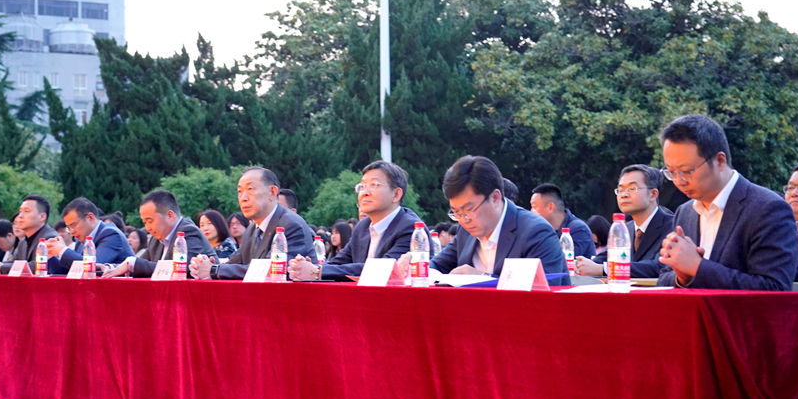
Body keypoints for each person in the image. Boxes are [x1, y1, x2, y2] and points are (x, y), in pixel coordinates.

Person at [656, 114, 796, 290]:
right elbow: (663, 279)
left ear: (720, 161)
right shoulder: (685, 212)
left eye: (687, 171)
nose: (679, 181)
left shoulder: (768, 209)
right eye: (671, 172)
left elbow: (774, 289)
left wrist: (698, 267)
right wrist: (683, 278)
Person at [402, 155, 569, 285]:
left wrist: (483, 279)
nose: (463, 220)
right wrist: (416, 264)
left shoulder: (535, 231)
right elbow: (437, 266)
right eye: (456, 212)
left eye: (469, 210)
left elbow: (545, 291)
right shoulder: (465, 232)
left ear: (495, 198)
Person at [289, 161, 429, 281]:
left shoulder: (411, 228)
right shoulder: (363, 226)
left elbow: (383, 269)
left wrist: (318, 272)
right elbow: (339, 262)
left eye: (374, 185)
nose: (365, 192)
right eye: (362, 186)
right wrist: (309, 268)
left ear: (396, 194)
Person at [190, 167, 315, 280]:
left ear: (272, 192)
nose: (243, 198)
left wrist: (215, 270)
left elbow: (273, 270)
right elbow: (234, 263)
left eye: (250, 189)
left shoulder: (290, 224)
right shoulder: (252, 229)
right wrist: (207, 266)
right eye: (240, 191)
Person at [576, 165, 674, 278]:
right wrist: (580, 265)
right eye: (620, 190)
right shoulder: (624, 229)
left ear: (653, 194)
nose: (624, 195)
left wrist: (605, 269)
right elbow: (604, 258)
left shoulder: (673, 226)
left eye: (632, 188)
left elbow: (661, 266)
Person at [102, 190, 216, 278]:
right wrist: (109, 268)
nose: (148, 228)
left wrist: (132, 263)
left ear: (170, 216)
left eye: (150, 221)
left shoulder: (188, 232)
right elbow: (138, 265)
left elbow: (182, 270)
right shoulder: (156, 238)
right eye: (145, 222)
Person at [45, 197, 134, 274]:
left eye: (73, 226)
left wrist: (62, 250)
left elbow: (94, 265)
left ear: (90, 218)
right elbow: (71, 270)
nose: (71, 232)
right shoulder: (81, 239)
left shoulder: (111, 234)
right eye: (68, 228)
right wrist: (49, 255)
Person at [0, 195, 59, 275]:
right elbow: (14, 262)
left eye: (26, 211)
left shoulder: (51, 238)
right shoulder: (23, 241)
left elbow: (38, 265)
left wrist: (2, 268)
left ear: (42, 217)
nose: (20, 216)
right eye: (20, 211)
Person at [529, 184, 596, 260]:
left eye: (534, 207)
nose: (531, 211)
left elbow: (561, 262)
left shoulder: (578, 229)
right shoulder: (544, 230)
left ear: (550, 207)